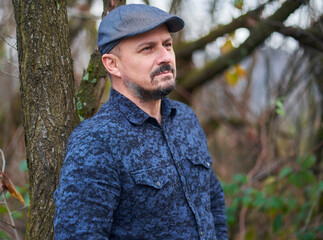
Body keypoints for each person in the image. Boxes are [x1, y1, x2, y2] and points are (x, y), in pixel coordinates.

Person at [54, 4, 228, 240]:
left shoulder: (186, 118)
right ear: (112, 64)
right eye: (147, 49)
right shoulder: (96, 141)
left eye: (167, 44)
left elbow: (213, 201)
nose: (165, 57)